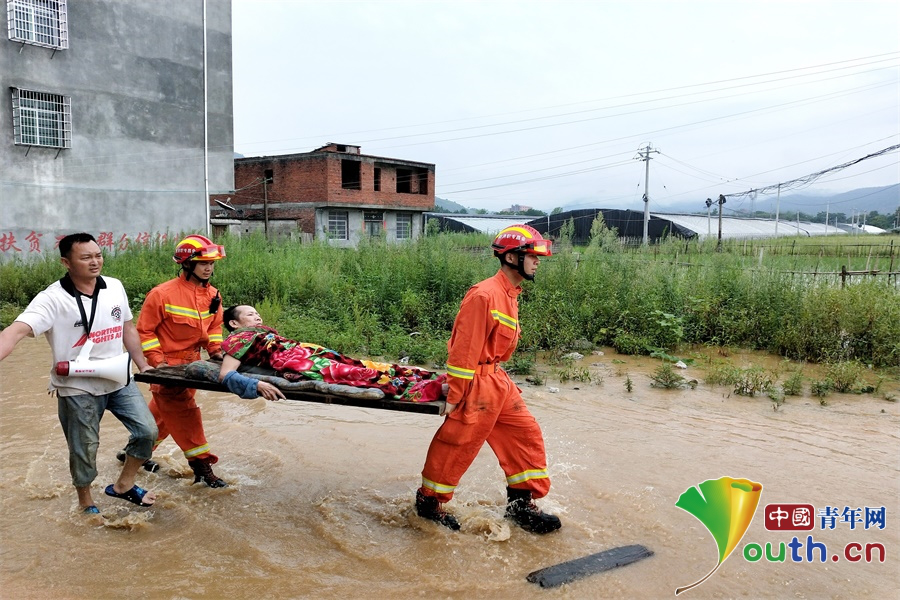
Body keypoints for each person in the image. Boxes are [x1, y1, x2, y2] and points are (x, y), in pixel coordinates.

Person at [415, 225, 562, 534]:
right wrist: (455, 395)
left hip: (498, 380)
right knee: (458, 444)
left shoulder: (509, 293)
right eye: (532, 256)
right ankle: (429, 504)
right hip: (477, 384)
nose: (537, 262)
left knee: (526, 434)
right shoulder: (484, 295)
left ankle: (520, 506)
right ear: (510, 257)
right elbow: (464, 350)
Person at [0, 233, 158, 514]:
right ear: (66, 262)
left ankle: (123, 485)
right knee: (84, 448)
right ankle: (86, 501)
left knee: (147, 431)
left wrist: (142, 364)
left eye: (97, 255)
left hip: (118, 377)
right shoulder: (51, 299)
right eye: (86, 257)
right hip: (77, 386)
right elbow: (16, 331)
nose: (95, 262)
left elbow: (127, 328)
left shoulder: (114, 287)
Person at [134, 234, 228, 488]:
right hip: (168, 368)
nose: (209, 268)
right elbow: (144, 331)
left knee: (164, 416)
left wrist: (216, 350)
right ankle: (203, 467)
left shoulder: (212, 295)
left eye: (211, 263)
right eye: (203, 263)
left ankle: (135, 454)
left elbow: (216, 326)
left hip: (193, 365)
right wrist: (158, 361)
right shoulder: (162, 294)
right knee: (185, 414)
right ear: (187, 264)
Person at [216, 305, 446, 403]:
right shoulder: (238, 339)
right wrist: (256, 385)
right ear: (234, 323)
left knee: (372, 365)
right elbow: (225, 375)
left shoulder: (261, 334)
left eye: (257, 314)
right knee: (361, 375)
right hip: (302, 364)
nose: (257, 317)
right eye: (249, 315)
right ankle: (435, 389)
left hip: (310, 352)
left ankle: (433, 378)